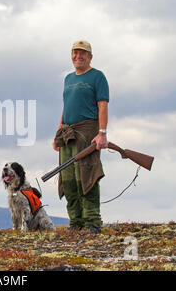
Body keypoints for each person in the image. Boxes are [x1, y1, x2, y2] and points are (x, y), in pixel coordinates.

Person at [52, 40, 109, 234]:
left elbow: (102, 105)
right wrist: (58, 133)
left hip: (87, 132)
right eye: (75, 53)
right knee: (68, 179)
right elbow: (65, 108)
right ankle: (76, 222)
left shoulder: (97, 76)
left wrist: (102, 133)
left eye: (83, 53)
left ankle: (93, 222)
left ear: (90, 56)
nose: (78, 56)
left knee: (86, 176)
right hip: (67, 134)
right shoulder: (68, 78)